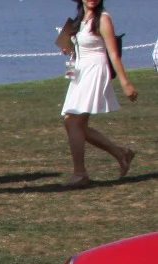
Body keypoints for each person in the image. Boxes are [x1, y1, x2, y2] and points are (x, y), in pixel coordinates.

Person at [55, 0, 137, 187]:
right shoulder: (80, 19)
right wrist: (69, 48)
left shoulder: (103, 19)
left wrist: (125, 83)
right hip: (80, 71)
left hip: (95, 70)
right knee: (74, 124)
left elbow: (113, 54)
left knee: (72, 121)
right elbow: (81, 45)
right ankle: (121, 153)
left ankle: (80, 173)